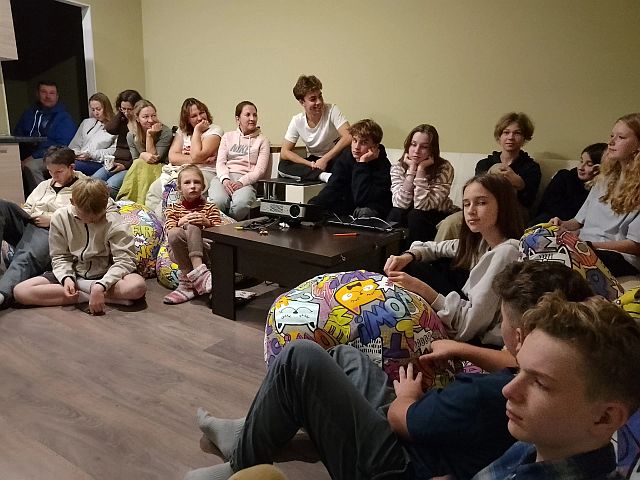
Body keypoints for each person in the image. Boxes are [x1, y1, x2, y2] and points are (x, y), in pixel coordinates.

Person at [184, 261, 593, 480]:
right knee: (344, 355)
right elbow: (510, 362)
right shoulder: (545, 367)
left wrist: (408, 397)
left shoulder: (492, 395)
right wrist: (462, 348)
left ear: (518, 334)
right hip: (424, 439)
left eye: (502, 320)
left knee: (299, 358)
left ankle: (243, 459)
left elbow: (401, 419)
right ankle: (254, 429)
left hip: (396, 461)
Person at [473, 294, 640, 479]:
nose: (507, 390)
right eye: (519, 369)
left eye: (540, 383)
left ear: (604, 417)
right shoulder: (544, 440)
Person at [384, 174, 523, 346]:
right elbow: (435, 247)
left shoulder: (506, 253)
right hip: (468, 318)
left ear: (503, 206)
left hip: (482, 340)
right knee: (424, 262)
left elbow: (470, 325)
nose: (471, 211)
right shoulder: (481, 242)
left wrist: (420, 288)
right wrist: (408, 255)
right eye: (466, 204)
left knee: (418, 270)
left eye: (481, 203)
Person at [13, 178, 147, 315]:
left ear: (105, 204)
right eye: (84, 215)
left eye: (96, 217)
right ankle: (95, 297)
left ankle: (91, 293)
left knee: (137, 286)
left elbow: (125, 261)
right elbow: (59, 256)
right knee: (21, 291)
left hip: (106, 275)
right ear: (72, 202)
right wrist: (67, 278)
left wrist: (102, 285)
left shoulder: (115, 221)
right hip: (74, 273)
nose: (90, 220)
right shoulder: (60, 217)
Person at [550, 113, 640, 277]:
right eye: (612, 136)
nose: (611, 142)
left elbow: (635, 246)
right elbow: (577, 222)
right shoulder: (603, 179)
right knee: (533, 242)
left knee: (561, 259)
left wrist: (590, 246)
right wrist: (561, 224)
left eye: (621, 137)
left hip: (619, 257)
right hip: (585, 247)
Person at [0, 147, 84, 310]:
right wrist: (30, 214)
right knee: (2, 206)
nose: (54, 176)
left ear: (71, 168)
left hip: (55, 231)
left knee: (26, 254)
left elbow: (86, 215)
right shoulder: (45, 185)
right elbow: (28, 206)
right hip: (31, 222)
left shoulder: (85, 186)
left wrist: (52, 219)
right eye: (50, 172)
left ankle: (2, 293)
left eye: (58, 172)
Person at [435, 112, 540, 240]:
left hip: (512, 212)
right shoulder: (484, 164)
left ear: (524, 138)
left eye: (517, 133)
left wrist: (520, 184)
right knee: (449, 223)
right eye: (506, 132)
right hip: (480, 208)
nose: (511, 137)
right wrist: (493, 175)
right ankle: (435, 253)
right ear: (499, 136)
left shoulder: (531, 168)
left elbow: (529, 203)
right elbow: (475, 193)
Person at [308, 119, 392, 219]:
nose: (356, 147)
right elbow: (334, 186)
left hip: (371, 208)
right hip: (349, 205)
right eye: (354, 140)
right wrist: (313, 205)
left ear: (375, 146)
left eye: (363, 143)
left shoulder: (383, 165)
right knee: (315, 207)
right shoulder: (346, 157)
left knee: (364, 212)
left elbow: (361, 198)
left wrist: (362, 164)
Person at [163, 165, 222, 305]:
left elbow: (221, 231)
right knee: (176, 231)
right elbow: (169, 230)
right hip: (179, 252)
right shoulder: (172, 208)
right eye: (187, 183)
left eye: (197, 182)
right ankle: (199, 275)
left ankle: (189, 281)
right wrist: (180, 222)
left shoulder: (210, 207)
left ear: (203, 187)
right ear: (179, 188)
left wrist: (207, 222)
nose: (193, 186)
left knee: (193, 225)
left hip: (205, 250)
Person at [388, 124, 455, 244]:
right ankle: (390, 253)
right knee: (396, 213)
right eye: (413, 144)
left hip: (436, 213)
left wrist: (421, 170)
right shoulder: (398, 167)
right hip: (408, 210)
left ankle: (416, 254)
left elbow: (422, 206)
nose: (417, 151)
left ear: (432, 150)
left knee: (416, 215)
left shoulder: (444, 168)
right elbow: (400, 203)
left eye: (424, 147)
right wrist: (411, 170)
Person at [277, 75, 351, 183]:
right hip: (314, 161)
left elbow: (348, 136)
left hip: (334, 157)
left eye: (320, 96)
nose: (319, 102)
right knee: (283, 166)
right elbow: (284, 152)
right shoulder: (297, 121)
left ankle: (318, 174)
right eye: (313, 99)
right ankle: (322, 176)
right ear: (302, 102)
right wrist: (310, 164)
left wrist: (325, 159)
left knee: (349, 155)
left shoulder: (332, 110)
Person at [208, 101, 271, 220]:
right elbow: (220, 162)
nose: (252, 118)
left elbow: (260, 170)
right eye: (248, 115)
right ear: (238, 119)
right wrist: (225, 179)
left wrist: (241, 182)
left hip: (246, 180)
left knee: (241, 205)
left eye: (255, 115)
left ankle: (228, 226)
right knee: (218, 201)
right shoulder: (227, 137)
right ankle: (221, 227)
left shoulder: (262, 141)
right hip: (225, 177)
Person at [13, 81, 76, 195]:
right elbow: (17, 135)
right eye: (44, 92)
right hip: (26, 155)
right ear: (37, 94)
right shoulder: (29, 114)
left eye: (51, 93)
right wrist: (17, 157)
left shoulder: (64, 118)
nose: (47, 96)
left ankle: (45, 197)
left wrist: (32, 157)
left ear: (57, 96)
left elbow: (61, 146)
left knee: (30, 166)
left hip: (52, 155)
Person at [528, 142, 606, 226]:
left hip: (578, 226)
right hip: (551, 220)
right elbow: (546, 206)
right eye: (581, 161)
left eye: (589, 164)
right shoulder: (564, 177)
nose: (581, 167)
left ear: (599, 168)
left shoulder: (601, 188)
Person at [116, 99, 173, 204]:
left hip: (162, 167)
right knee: (139, 164)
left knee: (141, 164)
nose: (151, 120)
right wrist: (142, 154)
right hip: (140, 167)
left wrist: (149, 135)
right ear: (137, 118)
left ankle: (134, 202)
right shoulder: (131, 135)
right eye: (145, 117)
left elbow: (154, 158)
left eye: (153, 116)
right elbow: (135, 160)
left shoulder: (165, 132)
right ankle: (127, 203)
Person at [93, 89, 143, 198]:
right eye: (123, 109)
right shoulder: (122, 120)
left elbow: (140, 153)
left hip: (130, 165)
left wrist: (125, 166)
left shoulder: (141, 122)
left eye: (129, 109)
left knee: (110, 186)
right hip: (116, 161)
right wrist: (120, 113)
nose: (126, 112)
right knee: (93, 181)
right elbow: (110, 129)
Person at [168, 97, 224, 186]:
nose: (200, 118)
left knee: (185, 186)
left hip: (205, 171)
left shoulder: (215, 130)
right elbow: (173, 157)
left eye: (202, 113)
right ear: (187, 120)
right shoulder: (182, 131)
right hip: (182, 171)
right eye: (194, 116)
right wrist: (200, 160)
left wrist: (197, 130)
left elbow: (197, 156)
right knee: (156, 188)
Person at [68, 92, 117, 175]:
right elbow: (74, 145)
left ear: (106, 108)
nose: (96, 113)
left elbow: (112, 151)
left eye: (98, 109)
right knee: (57, 161)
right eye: (93, 110)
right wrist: (76, 153)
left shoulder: (115, 127)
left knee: (71, 166)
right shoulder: (87, 123)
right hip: (80, 159)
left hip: (98, 162)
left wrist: (91, 155)